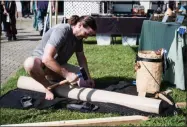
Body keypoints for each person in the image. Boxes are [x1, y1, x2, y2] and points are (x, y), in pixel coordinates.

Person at [23, 15, 97, 100]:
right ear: (79, 25)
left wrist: (88, 76)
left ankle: (53, 77)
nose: (86, 37)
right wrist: (67, 74)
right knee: (30, 64)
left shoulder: (78, 37)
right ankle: (48, 87)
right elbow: (46, 59)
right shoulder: (62, 30)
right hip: (42, 65)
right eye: (86, 33)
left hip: (59, 65)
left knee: (85, 83)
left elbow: (81, 57)